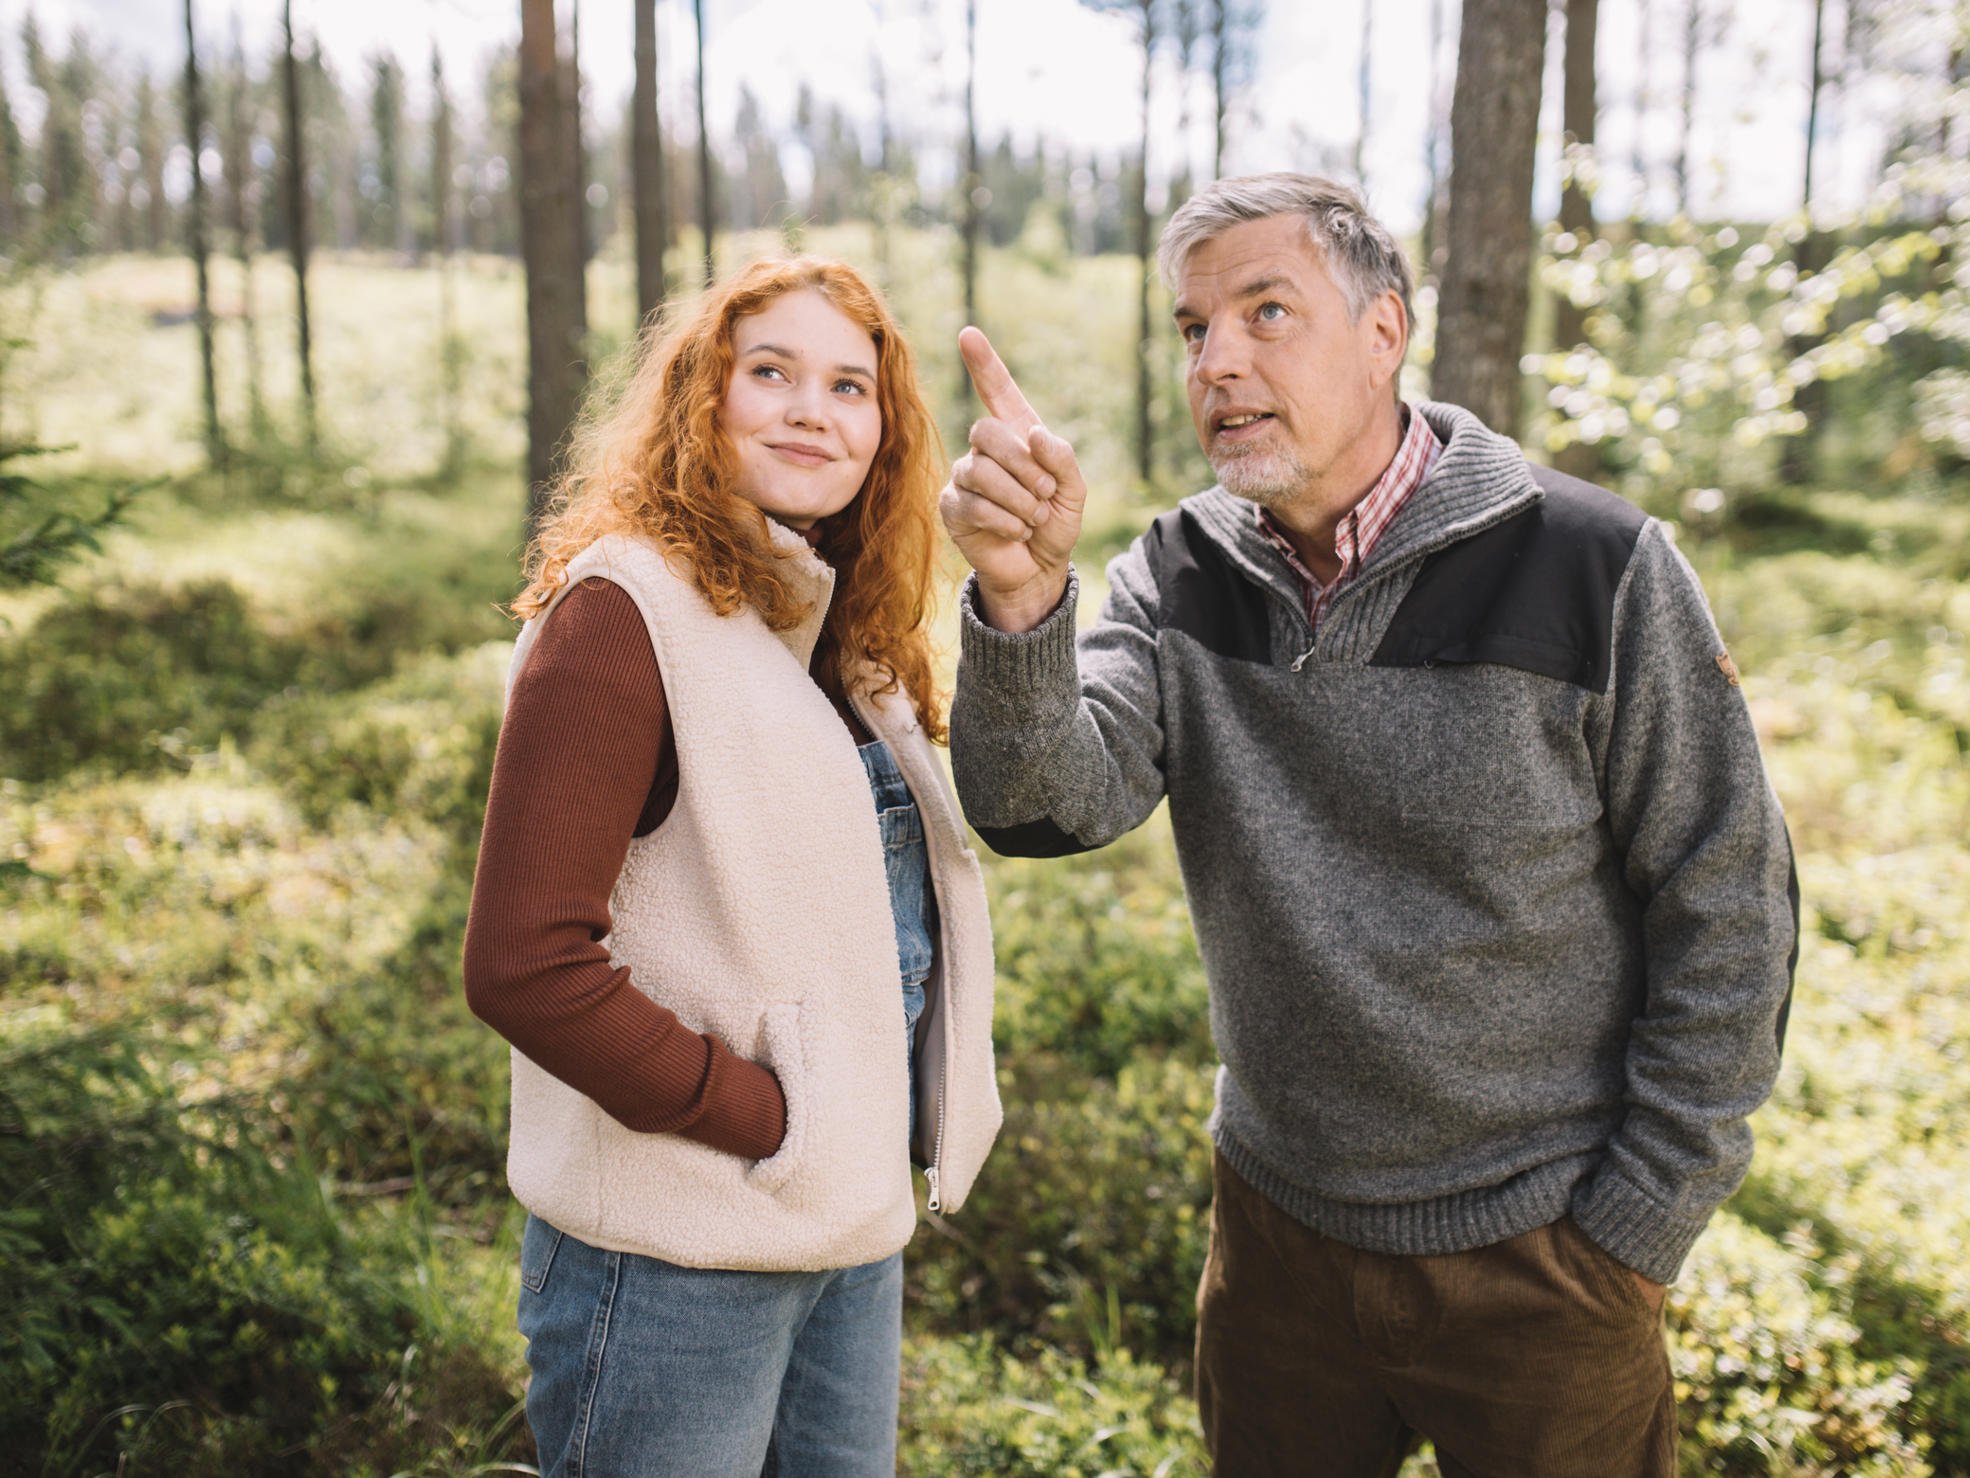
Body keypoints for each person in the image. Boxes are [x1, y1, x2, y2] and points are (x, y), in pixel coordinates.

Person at [938, 173, 1797, 1476]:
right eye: (1191, 329)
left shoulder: (1596, 563)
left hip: (1546, 1260)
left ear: (1384, 331)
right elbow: (1043, 805)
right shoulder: (1177, 567)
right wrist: (1019, 599)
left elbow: (1727, 893)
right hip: (1277, 1242)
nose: (1216, 358)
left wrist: (1637, 1221)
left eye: (1264, 311)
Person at [462, 255, 1001, 1478]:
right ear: (703, 398)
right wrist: (765, 1114)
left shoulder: (837, 634)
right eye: (772, 372)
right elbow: (523, 965)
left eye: (849, 386)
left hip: (847, 1234)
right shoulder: (621, 613)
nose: (813, 408)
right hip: (671, 1256)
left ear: (883, 430)